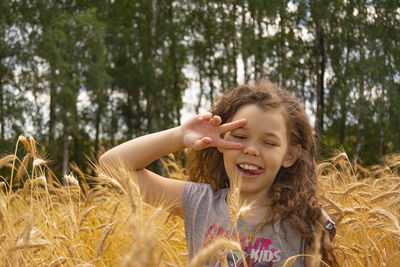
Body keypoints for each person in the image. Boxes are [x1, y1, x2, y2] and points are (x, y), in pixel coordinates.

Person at [99, 79, 337, 266]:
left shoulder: (306, 223)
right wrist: (179, 136)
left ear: (290, 155)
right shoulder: (199, 203)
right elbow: (111, 165)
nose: (251, 150)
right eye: (240, 137)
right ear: (219, 141)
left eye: (269, 142)